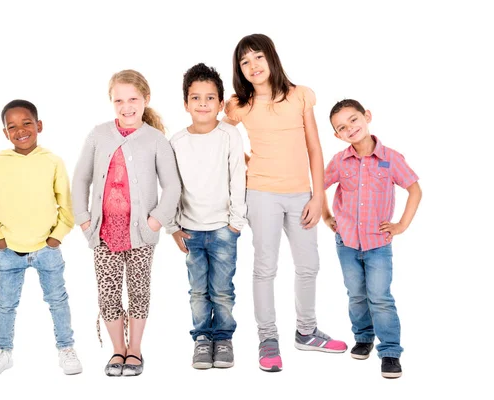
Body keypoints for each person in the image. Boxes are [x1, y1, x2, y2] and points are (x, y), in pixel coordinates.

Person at [223, 33, 347, 372]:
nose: (252, 66)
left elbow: (314, 148)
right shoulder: (239, 104)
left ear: (271, 57)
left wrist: (318, 196)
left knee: (309, 265)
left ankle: (306, 332)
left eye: (257, 57)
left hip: (301, 195)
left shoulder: (299, 96)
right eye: (244, 61)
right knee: (265, 268)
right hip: (261, 195)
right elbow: (221, 138)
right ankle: (267, 339)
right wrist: (245, 165)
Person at [72, 70, 181, 377]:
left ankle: (135, 350)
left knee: (139, 291)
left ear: (146, 100)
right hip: (103, 232)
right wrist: (83, 220)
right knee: (107, 293)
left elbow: (172, 187)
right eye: (119, 100)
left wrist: (155, 222)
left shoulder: (156, 140)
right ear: (111, 102)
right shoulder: (98, 135)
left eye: (133, 99)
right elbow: (81, 178)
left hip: (142, 235)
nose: (126, 106)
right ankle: (117, 350)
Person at [0, 99, 82, 378]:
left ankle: (66, 348)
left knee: (58, 300)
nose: (20, 130)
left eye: (26, 123)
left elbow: (67, 204)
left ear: (38, 125)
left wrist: (57, 237)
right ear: (5, 133)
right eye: (12, 126)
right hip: (9, 250)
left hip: (46, 249)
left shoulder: (52, 161)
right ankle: (3, 351)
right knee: (5, 303)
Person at [322, 99, 421, 379]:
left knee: (380, 297)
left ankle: (390, 351)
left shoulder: (391, 158)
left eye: (354, 120)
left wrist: (401, 224)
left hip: (378, 245)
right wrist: (327, 216)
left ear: (367, 116)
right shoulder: (340, 161)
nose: (350, 128)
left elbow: (415, 190)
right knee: (356, 295)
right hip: (347, 243)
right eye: (342, 127)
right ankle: (363, 337)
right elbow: (318, 187)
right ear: (337, 135)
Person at [168, 63, 247, 369]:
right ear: (186, 104)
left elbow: (238, 177)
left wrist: (236, 222)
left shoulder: (229, 136)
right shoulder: (176, 142)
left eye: (210, 98)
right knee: (198, 289)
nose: (203, 104)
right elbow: (171, 186)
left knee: (223, 289)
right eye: (196, 98)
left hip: (223, 228)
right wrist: (174, 227)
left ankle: (224, 338)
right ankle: (203, 338)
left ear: (221, 102)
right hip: (190, 229)